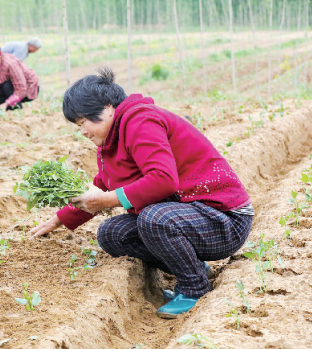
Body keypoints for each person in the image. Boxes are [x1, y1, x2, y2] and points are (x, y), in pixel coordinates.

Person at [31, 68, 253, 319]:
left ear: (106, 108)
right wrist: (61, 218)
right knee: (111, 234)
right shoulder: (111, 139)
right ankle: (193, 268)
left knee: (154, 218)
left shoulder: (140, 121)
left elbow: (163, 180)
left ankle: (195, 289)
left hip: (224, 218)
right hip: (191, 215)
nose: (82, 131)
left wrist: (106, 201)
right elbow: (103, 183)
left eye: (83, 122)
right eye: (78, 126)